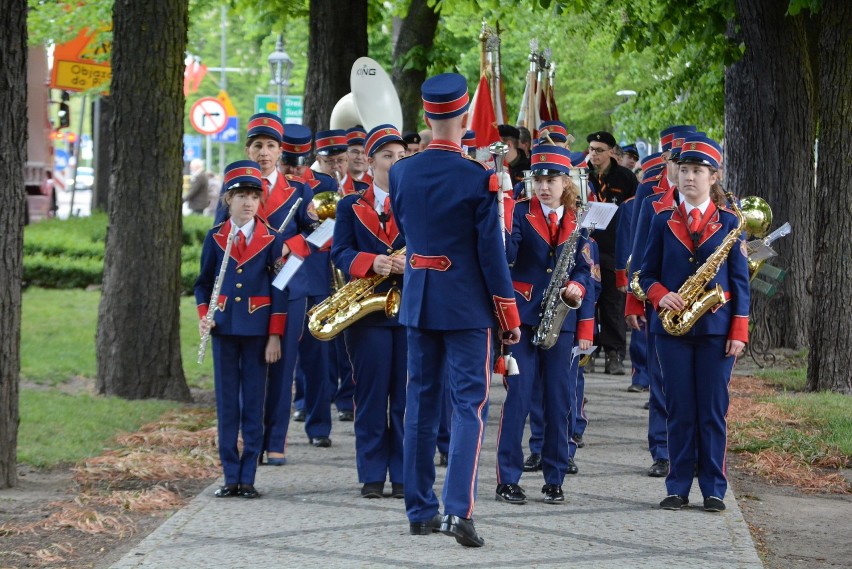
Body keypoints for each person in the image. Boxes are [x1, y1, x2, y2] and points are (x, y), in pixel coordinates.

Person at [390, 72, 521, 548]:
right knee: (469, 406)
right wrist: (508, 316)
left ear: (426, 117)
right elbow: (492, 253)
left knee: (420, 407)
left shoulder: (401, 170)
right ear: (465, 119)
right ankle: (457, 512)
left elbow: (406, 228)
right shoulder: (477, 176)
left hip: (420, 299)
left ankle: (418, 511)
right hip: (467, 306)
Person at [638, 135, 749, 512]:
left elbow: (740, 283)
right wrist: (658, 295)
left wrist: (739, 330)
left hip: (717, 331)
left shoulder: (731, 223)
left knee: (713, 410)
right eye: (683, 170)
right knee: (679, 408)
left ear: (713, 176)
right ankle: (678, 485)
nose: (688, 177)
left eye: (697, 171)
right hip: (672, 331)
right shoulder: (662, 219)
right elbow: (644, 273)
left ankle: (715, 488)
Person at [495, 145, 592, 506]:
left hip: (561, 322)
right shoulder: (519, 212)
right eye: (538, 179)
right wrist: (502, 216)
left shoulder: (578, 218)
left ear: (566, 181)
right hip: (522, 319)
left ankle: (555, 477)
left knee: (559, 401)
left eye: (551, 179)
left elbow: (584, 269)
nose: (543, 187)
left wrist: (578, 289)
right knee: (518, 398)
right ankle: (508, 478)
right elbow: (507, 256)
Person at [194, 160, 287, 499]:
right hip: (224, 331)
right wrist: (206, 315)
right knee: (227, 405)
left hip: (258, 333)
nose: (248, 202)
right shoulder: (216, 237)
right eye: (241, 196)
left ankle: (248, 477)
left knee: (253, 403)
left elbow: (280, 289)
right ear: (227, 201)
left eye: (253, 196)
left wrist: (275, 334)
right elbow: (203, 284)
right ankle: (229, 475)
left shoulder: (272, 239)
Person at [332, 124, 408, 499]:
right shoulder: (349, 205)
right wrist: (371, 261)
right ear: (372, 161)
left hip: (410, 311)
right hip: (367, 314)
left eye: (400, 156)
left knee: (408, 399)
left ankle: (405, 476)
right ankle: (373, 475)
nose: (395, 162)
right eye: (387, 156)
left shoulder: (417, 204)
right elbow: (339, 252)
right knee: (372, 398)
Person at [584, 130, 638, 375]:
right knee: (587, 301)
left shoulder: (625, 178)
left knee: (613, 303)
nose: (594, 154)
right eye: (591, 149)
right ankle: (588, 351)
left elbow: (634, 214)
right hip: (586, 246)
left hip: (614, 247)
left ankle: (614, 354)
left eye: (599, 150)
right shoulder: (581, 175)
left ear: (611, 152)